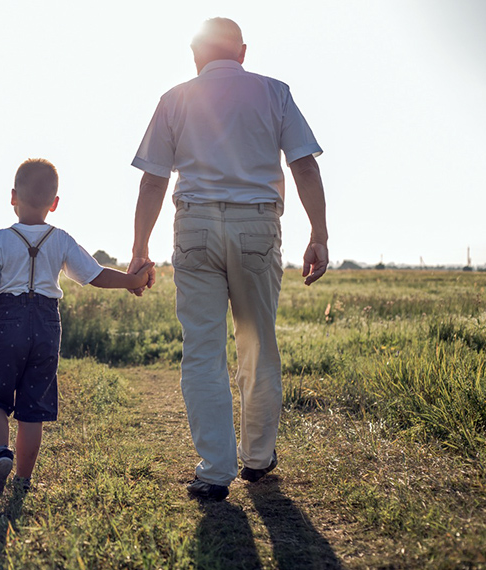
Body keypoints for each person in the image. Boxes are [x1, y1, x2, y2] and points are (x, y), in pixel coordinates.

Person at [128, 18, 329, 501]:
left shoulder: (175, 98)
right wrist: (319, 233)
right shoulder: (275, 93)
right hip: (257, 224)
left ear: (195, 54)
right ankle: (257, 460)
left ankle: (215, 471)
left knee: (202, 350)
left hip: (195, 224)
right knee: (257, 344)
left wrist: (139, 249)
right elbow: (303, 163)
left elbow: (153, 180)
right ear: (241, 52)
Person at [0, 158, 154, 502]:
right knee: (33, 407)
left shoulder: (0, 240)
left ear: (12, 197)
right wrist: (131, 281)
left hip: (7, 323)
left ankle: (0, 453)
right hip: (47, 325)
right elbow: (94, 275)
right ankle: (22, 481)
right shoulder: (61, 239)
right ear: (55, 203)